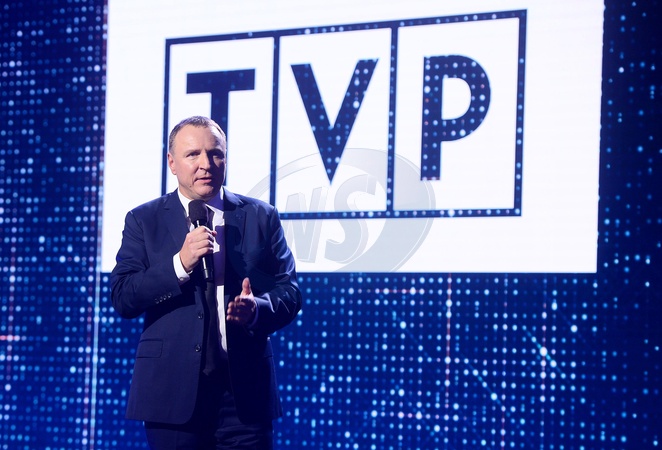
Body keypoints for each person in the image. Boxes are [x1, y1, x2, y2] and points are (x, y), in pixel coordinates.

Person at [110, 115, 302, 449]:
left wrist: (257, 309)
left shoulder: (261, 216)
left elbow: (289, 291)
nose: (206, 164)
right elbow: (123, 296)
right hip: (172, 394)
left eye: (215, 154)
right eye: (193, 154)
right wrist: (180, 264)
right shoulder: (144, 220)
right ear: (172, 163)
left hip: (243, 395)